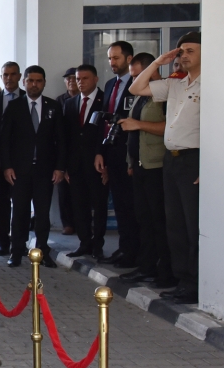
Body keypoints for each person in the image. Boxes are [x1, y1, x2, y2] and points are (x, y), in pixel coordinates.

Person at [130, 31, 201, 304]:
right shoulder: (176, 84)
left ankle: (195, 283)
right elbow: (136, 88)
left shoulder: (212, 84)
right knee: (175, 224)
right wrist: (158, 61)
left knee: (192, 224)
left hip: (193, 159)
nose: (183, 56)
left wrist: (207, 168)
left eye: (190, 51)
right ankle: (182, 279)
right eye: (181, 51)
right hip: (171, 160)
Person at [117, 53, 174, 288]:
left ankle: (166, 271)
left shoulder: (165, 95)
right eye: (132, 77)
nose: (134, 82)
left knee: (159, 221)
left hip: (157, 166)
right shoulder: (141, 97)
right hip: (140, 166)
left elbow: (170, 127)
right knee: (144, 219)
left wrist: (138, 124)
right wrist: (131, 163)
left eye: (139, 75)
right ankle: (147, 265)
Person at [1, 65, 66, 268]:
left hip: (45, 171)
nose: (34, 84)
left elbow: (61, 140)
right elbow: (5, 140)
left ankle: (42, 251)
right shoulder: (14, 106)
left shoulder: (53, 107)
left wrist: (60, 167)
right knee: (19, 212)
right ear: (24, 82)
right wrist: (7, 166)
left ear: (44, 83)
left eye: (38, 81)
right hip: (19, 171)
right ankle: (17, 251)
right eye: (30, 80)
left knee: (42, 213)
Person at [95, 40, 140, 268]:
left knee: (132, 205)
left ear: (129, 58)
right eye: (110, 58)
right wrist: (101, 152)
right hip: (111, 152)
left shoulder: (139, 84)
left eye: (116, 58)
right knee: (120, 204)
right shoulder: (111, 84)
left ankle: (135, 253)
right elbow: (107, 122)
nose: (112, 62)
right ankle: (124, 248)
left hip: (131, 154)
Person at [63, 64, 107, 259]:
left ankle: (98, 245)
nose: (80, 82)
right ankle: (84, 243)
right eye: (78, 79)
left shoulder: (105, 100)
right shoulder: (70, 103)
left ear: (96, 79)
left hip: (97, 163)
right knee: (79, 206)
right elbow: (66, 137)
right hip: (75, 165)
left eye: (85, 78)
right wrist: (64, 166)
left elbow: (106, 133)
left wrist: (104, 159)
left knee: (98, 205)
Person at [0, 61, 26, 257]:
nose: (9, 78)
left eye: (13, 74)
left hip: (20, 161)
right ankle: (2, 242)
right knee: (0, 203)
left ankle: (19, 243)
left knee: (20, 204)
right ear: (1, 76)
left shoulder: (25, 98)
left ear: (19, 77)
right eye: (5, 75)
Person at [56, 68, 79, 236]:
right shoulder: (59, 101)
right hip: (64, 150)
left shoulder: (88, 98)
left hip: (82, 150)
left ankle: (82, 223)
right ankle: (68, 223)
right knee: (64, 191)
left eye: (74, 78)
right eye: (68, 78)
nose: (71, 81)